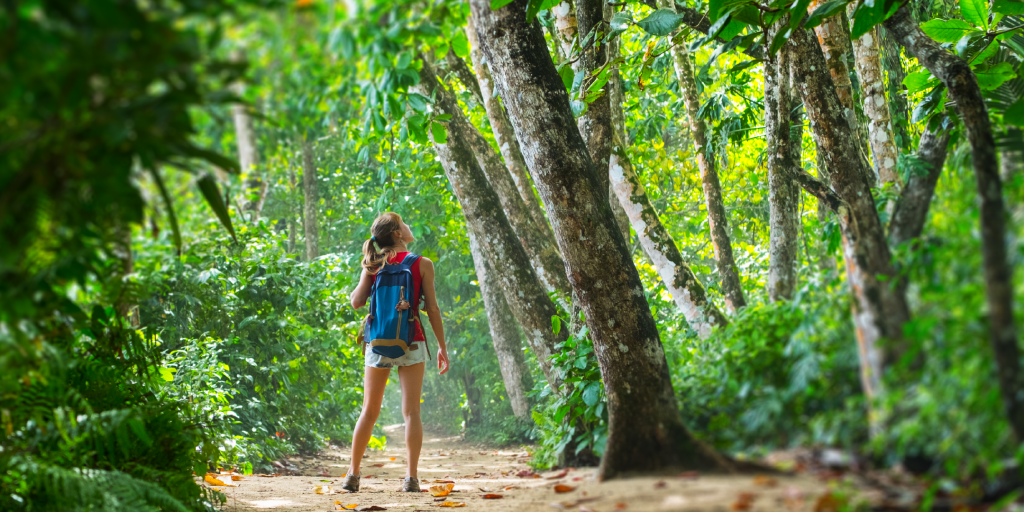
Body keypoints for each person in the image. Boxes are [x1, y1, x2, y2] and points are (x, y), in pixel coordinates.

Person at [343, 212, 450, 493]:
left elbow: (356, 302)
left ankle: (353, 475)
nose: (408, 226)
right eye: (404, 224)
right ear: (399, 234)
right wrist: (441, 346)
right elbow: (433, 309)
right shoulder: (422, 264)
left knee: (369, 411)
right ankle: (411, 478)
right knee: (411, 412)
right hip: (411, 341)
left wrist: (367, 267)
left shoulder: (374, 264)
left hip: (377, 341)